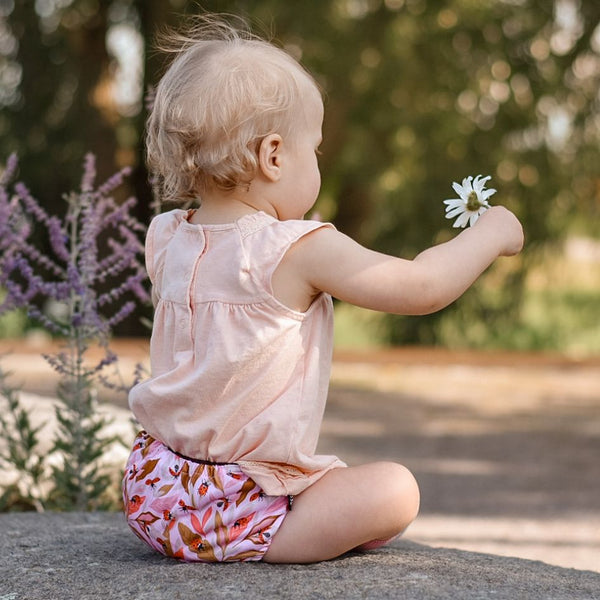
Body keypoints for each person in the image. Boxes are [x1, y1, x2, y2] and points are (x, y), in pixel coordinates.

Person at [122, 15, 524, 564]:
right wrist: (491, 233)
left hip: (154, 490)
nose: (317, 162)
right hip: (239, 500)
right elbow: (422, 286)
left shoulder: (167, 237)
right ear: (273, 156)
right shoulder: (295, 248)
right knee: (395, 489)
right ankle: (267, 543)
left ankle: (217, 534)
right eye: (314, 149)